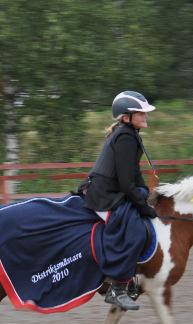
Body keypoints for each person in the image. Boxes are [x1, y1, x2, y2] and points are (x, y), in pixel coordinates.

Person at [81, 90, 158, 311]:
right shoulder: (125, 137)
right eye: (140, 113)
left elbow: (133, 174)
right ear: (126, 117)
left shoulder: (131, 134)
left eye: (144, 113)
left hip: (114, 190)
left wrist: (144, 192)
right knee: (134, 229)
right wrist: (143, 206)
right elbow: (125, 183)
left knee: (140, 216)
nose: (145, 116)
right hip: (105, 195)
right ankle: (117, 288)